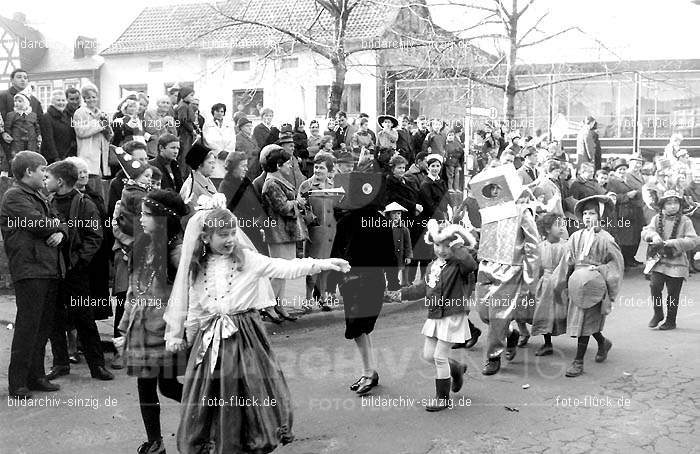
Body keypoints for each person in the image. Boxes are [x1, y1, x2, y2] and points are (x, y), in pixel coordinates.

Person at [162, 207, 349, 453]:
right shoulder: (197, 267)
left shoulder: (247, 260)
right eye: (223, 235)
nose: (230, 239)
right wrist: (187, 336)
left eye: (232, 233)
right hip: (210, 340)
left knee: (249, 391)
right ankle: (220, 442)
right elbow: (196, 307)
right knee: (211, 395)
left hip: (245, 336)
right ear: (206, 237)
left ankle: (249, 440)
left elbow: (285, 267)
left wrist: (323, 263)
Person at [114, 190, 189, 454]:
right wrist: (123, 329)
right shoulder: (143, 244)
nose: (141, 219)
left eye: (147, 214)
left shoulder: (178, 252)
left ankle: (211, 412)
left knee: (168, 386)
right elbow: (134, 291)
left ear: (164, 218)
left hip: (164, 331)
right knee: (145, 386)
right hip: (140, 329)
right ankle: (155, 442)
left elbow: (192, 291)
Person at [1, 151, 67, 397]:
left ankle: (36, 376)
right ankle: (18, 383)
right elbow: (38, 224)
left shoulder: (38, 196)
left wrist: (61, 230)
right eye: (43, 171)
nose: (45, 175)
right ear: (29, 171)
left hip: (47, 268)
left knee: (42, 327)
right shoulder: (15, 196)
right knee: (28, 327)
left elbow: (60, 221)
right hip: (30, 269)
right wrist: (57, 226)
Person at [44, 160, 113, 382]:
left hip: (75, 272)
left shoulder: (85, 204)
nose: (46, 181)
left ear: (60, 181)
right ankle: (60, 363)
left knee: (84, 318)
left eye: (49, 178)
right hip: (53, 272)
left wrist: (78, 262)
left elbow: (95, 237)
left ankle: (97, 365)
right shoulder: (48, 201)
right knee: (56, 319)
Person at [400, 220, 477, 411]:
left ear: (455, 245)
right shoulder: (433, 265)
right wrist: (400, 294)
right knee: (428, 356)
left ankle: (442, 398)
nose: (442, 250)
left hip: (453, 315)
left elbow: (470, 263)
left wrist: (456, 244)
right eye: (437, 245)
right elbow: (423, 288)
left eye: (446, 245)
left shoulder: (460, 264)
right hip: (435, 315)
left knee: (439, 356)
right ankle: (456, 368)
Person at [472, 165, 539, 375]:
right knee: (484, 313)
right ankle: (510, 334)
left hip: (510, 269)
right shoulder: (489, 212)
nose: (494, 192)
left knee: (498, 315)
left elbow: (533, 245)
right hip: (486, 265)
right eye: (490, 189)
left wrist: (530, 276)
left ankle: (493, 356)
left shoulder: (522, 211)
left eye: (497, 188)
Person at [333, 179, 396, 396]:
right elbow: (336, 254)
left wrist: (394, 282)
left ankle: (369, 371)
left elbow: (389, 255)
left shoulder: (376, 222)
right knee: (359, 327)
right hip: (354, 281)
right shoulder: (348, 221)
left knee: (361, 326)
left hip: (367, 280)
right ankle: (369, 371)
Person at [564, 195, 622, 377]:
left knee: (586, 321)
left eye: (593, 213)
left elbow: (616, 264)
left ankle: (578, 361)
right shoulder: (575, 237)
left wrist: (601, 269)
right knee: (583, 322)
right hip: (577, 285)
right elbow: (567, 262)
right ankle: (603, 342)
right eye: (585, 213)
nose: (588, 217)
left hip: (595, 286)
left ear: (600, 216)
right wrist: (560, 285)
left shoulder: (606, 239)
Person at [261, 146, 309, 321]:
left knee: (284, 271)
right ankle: (268, 306)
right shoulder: (271, 183)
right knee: (279, 272)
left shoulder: (276, 180)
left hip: (285, 232)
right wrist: (297, 202)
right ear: (278, 165)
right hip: (278, 232)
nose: (290, 166)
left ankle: (278, 305)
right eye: (287, 163)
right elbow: (282, 207)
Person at [642, 190, 700, 331]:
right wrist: (653, 235)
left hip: (677, 261)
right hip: (659, 261)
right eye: (669, 203)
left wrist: (674, 242)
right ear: (663, 205)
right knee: (654, 286)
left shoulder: (685, 220)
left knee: (673, 293)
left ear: (680, 205)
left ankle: (671, 320)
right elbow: (645, 231)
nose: (673, 206)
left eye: (676, 203)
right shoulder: (657, 218)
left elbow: (693, 240)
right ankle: (658, 313)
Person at [299, 152, 339, 309]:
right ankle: (308, 299)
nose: (317, 171)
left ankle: (322, 298)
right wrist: (310, 218)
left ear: (328, 170)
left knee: (326, 267)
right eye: (316, 167)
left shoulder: (333, 185)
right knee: (313, 267)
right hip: (315, 232)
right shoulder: (306, 185)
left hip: (331, 231)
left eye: (321, 168)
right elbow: (301, 207)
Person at [530, 212, 569, 356]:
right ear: (547, 229)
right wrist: (534, 286)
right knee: (544, 313)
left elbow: (568, 266)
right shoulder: (540, 247)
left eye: (563, 225)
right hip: (545, 284)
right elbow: (536, 268)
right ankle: (547, 343)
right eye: (557, 225)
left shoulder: (566, 246)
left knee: (562, 313)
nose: (561, 228)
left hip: (560, 284)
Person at [218, 151, 267, 253]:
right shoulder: (226, 186)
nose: (246, 169)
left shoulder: (245, 181)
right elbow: (230, 212)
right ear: (233, 167)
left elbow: (257, 202)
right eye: (243, 166)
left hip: (256, 229)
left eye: (246, 165)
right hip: (242, 233)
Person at [74, 83, 113, 193]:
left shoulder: (101, 113)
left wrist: (107, 129)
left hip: (101, 153)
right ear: (84, 99)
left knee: (99, 187)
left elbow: (109, 134)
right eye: (88, 97)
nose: (91, 100)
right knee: (90, 185)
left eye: (94, 97)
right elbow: (80, 131)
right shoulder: (80, 112)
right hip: (87, 152)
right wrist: (99, 124)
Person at [607, 158, 645, 268]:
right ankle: (624, 260)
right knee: (625, 237)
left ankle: (631, 258)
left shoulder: (628, 179)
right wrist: (627, 196)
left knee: (634, 236)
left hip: (634, 211)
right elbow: (611, 197)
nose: (622, 171)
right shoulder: (612, 182)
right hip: (621, 212)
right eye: (620, 169)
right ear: (615, 171)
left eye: (624, 169)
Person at [107, 141, 150, 217]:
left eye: (146, 159)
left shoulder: (153, 179)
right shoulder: (117, 184)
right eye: (140, 159)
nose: (145, 163)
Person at [3, 92, 42, 170]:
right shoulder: (11, 115)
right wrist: (8, 134)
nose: (17, 103)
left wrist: (38, 135)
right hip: (17, 141)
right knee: (17, 158)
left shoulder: (33, 115)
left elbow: (36, 126)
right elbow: (8, 127)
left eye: (20, 101)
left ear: (26, 103)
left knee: (31, 157)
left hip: (31, 140)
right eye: (15, 101)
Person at [179, 142, 218, 216]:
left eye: (214, 163)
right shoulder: (192, 186)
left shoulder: (206, 180)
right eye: (210, 163)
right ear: (199, 164)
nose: (213, 166)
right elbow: (190, 215)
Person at [202, 102, 236, 184]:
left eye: (222, 111)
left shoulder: (229, 125)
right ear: (213, 112)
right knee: (215, 177)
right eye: (217, 111)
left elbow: (233, 139)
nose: (220, 113)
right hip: (215, 156)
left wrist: (228, 152)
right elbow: (207, 140)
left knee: (226, 179)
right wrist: (219, 152)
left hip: (227, 156)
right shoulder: (207, 125)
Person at [42, 89, 76, 163]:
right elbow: (48, 139)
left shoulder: (69, 116)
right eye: (58, 100)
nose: (61, 103)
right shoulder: (47, 117)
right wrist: (56, 157)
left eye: (63, 100)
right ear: (52, 102)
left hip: (67, 155)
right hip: (52, 157)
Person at [384, 202, 412, 290]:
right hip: (386, 254)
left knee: (393, 273)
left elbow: (408, 244)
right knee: (384, 273)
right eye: (394, 213)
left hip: (397, 255)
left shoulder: (404, 229)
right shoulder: (383, 226)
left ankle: (393, 288)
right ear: (389, 214)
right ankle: (384, 288)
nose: (396, 216)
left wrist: (408, 256)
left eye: (399, 213)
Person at [175, 87, 199, 175]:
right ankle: (182, 175)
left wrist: (195, 128)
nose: (192, 97)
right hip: (184, 134)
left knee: (189, 155)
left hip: (188, 134)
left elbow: (190, 120)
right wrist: (192, 130)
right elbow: (183, 120)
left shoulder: (187, 105)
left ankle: (188, 174)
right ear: (184, 95)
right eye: (191, 95)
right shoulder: (182, 106)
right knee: (184, 156)